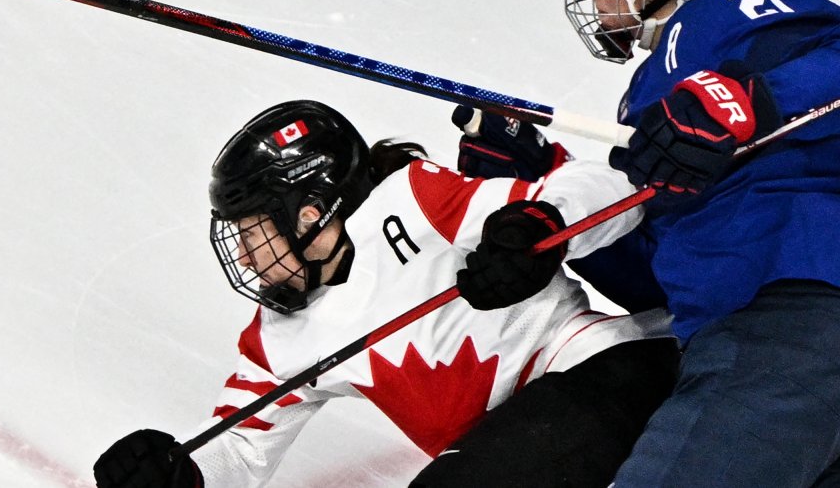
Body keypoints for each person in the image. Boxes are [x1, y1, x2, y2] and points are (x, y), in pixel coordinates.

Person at [469, 0, 840, 486]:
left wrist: (749, 99)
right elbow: (655, 279)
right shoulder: (652, 99)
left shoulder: (730, 10)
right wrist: (546, 196)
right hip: (743, 337)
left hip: (790, 314)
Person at [93, 99, 676, 488]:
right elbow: (242, 446)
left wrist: (539, 225)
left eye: (252, 233)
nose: (244, 257)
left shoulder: (413, 201)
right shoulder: (280, 338)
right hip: (519, 444)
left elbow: (611, 187)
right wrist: (181, 474)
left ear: (309, 214)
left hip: (611, 372)